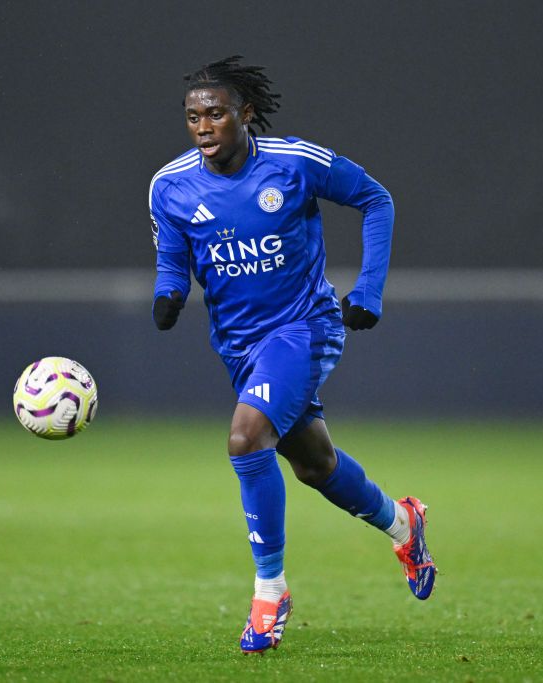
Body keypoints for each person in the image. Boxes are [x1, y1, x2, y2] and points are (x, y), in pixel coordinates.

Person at [149, 56, 435, 655]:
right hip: (239, 346)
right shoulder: (169, 186)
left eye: (216, 114)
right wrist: (168, 294)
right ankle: (404, 523)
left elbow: (376, 199)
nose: (203, 127)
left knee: (245, 437)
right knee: (314, 464)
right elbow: (173, 258)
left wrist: (368, 290)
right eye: (193, 117)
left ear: (245, 114)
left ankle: (270, 592)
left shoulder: (294, 162)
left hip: (305, 328)